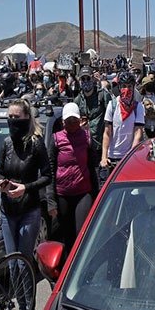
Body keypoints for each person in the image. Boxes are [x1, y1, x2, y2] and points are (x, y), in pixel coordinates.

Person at [0, 99, 51, 310]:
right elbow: (0, 171)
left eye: (15, 118)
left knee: (23, 262)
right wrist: (0, 184)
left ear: (26, 118)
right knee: (11, 263)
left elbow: (47, 176)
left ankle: (29, 308)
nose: (11, 121)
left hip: (29, 209)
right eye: (9, 117)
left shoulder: (36, 143)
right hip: (7, 210)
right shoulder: (6, 144)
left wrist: (25, 188)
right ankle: (21, 307)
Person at [47, 103, 97, 254]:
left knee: (81, 234)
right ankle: (68, 270)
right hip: (63, 194)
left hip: (83, 192)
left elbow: (93, 166)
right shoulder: (56, 139)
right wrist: (51, 200)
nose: (72, 124)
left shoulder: (87, 138)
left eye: (74, 121)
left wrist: (97, 194)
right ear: (63, 122)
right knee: (67, 237)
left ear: (80, 120)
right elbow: (49, 169)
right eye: (68, 121)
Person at [100, 71, 144, 169]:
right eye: (124, 86)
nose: (127, 89)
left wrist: (130, 156)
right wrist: (104, 157)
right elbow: (107, 133)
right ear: (119, 87)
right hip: (112, 157)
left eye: (129, 86)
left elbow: (138, 133)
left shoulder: (138, 107)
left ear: (133, 88)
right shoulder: (112, 105)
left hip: (129, 157)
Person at [73, 66, 112, 176]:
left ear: (93, 79)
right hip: (85, 146)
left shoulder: (103, 95)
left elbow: (112, 119)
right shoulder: (78, 100)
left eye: (88, 78)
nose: (86, 81)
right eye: (83, 79)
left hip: (102, 146)